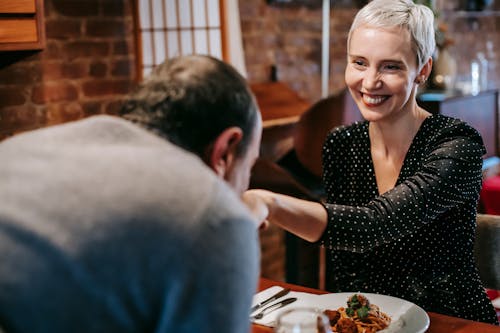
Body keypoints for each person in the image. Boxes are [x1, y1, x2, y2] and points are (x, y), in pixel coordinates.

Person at [244, 0, 499, 325]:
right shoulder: (342, 145)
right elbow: (347, 266)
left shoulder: (457, 144)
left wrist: (269, 202)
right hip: (372, 322)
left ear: (422, 70)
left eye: (390, 66)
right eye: (359, 63)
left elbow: (374, 225)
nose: (369, 81)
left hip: (451, 322)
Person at [0, 55, 263, 333]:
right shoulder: (214, 215)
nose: (245, 183)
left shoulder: (24, 147)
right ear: (226, 150)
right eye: (250, 166)